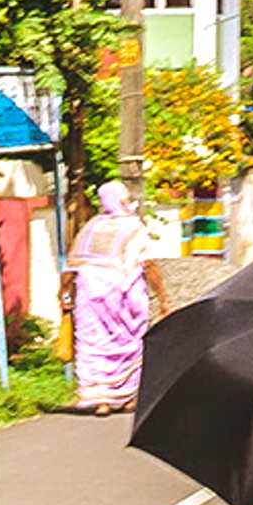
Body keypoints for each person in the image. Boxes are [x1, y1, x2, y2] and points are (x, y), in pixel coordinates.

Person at [60, 176, 166, 416]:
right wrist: (163, 298)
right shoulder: (133, 227)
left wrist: (63, 292)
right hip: (124, 296)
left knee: (92, 343)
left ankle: (100, 399)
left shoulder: (91, 227)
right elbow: (148, 264)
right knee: (128, 343)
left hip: (90, 297)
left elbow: (72, 265)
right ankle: (128, 396)